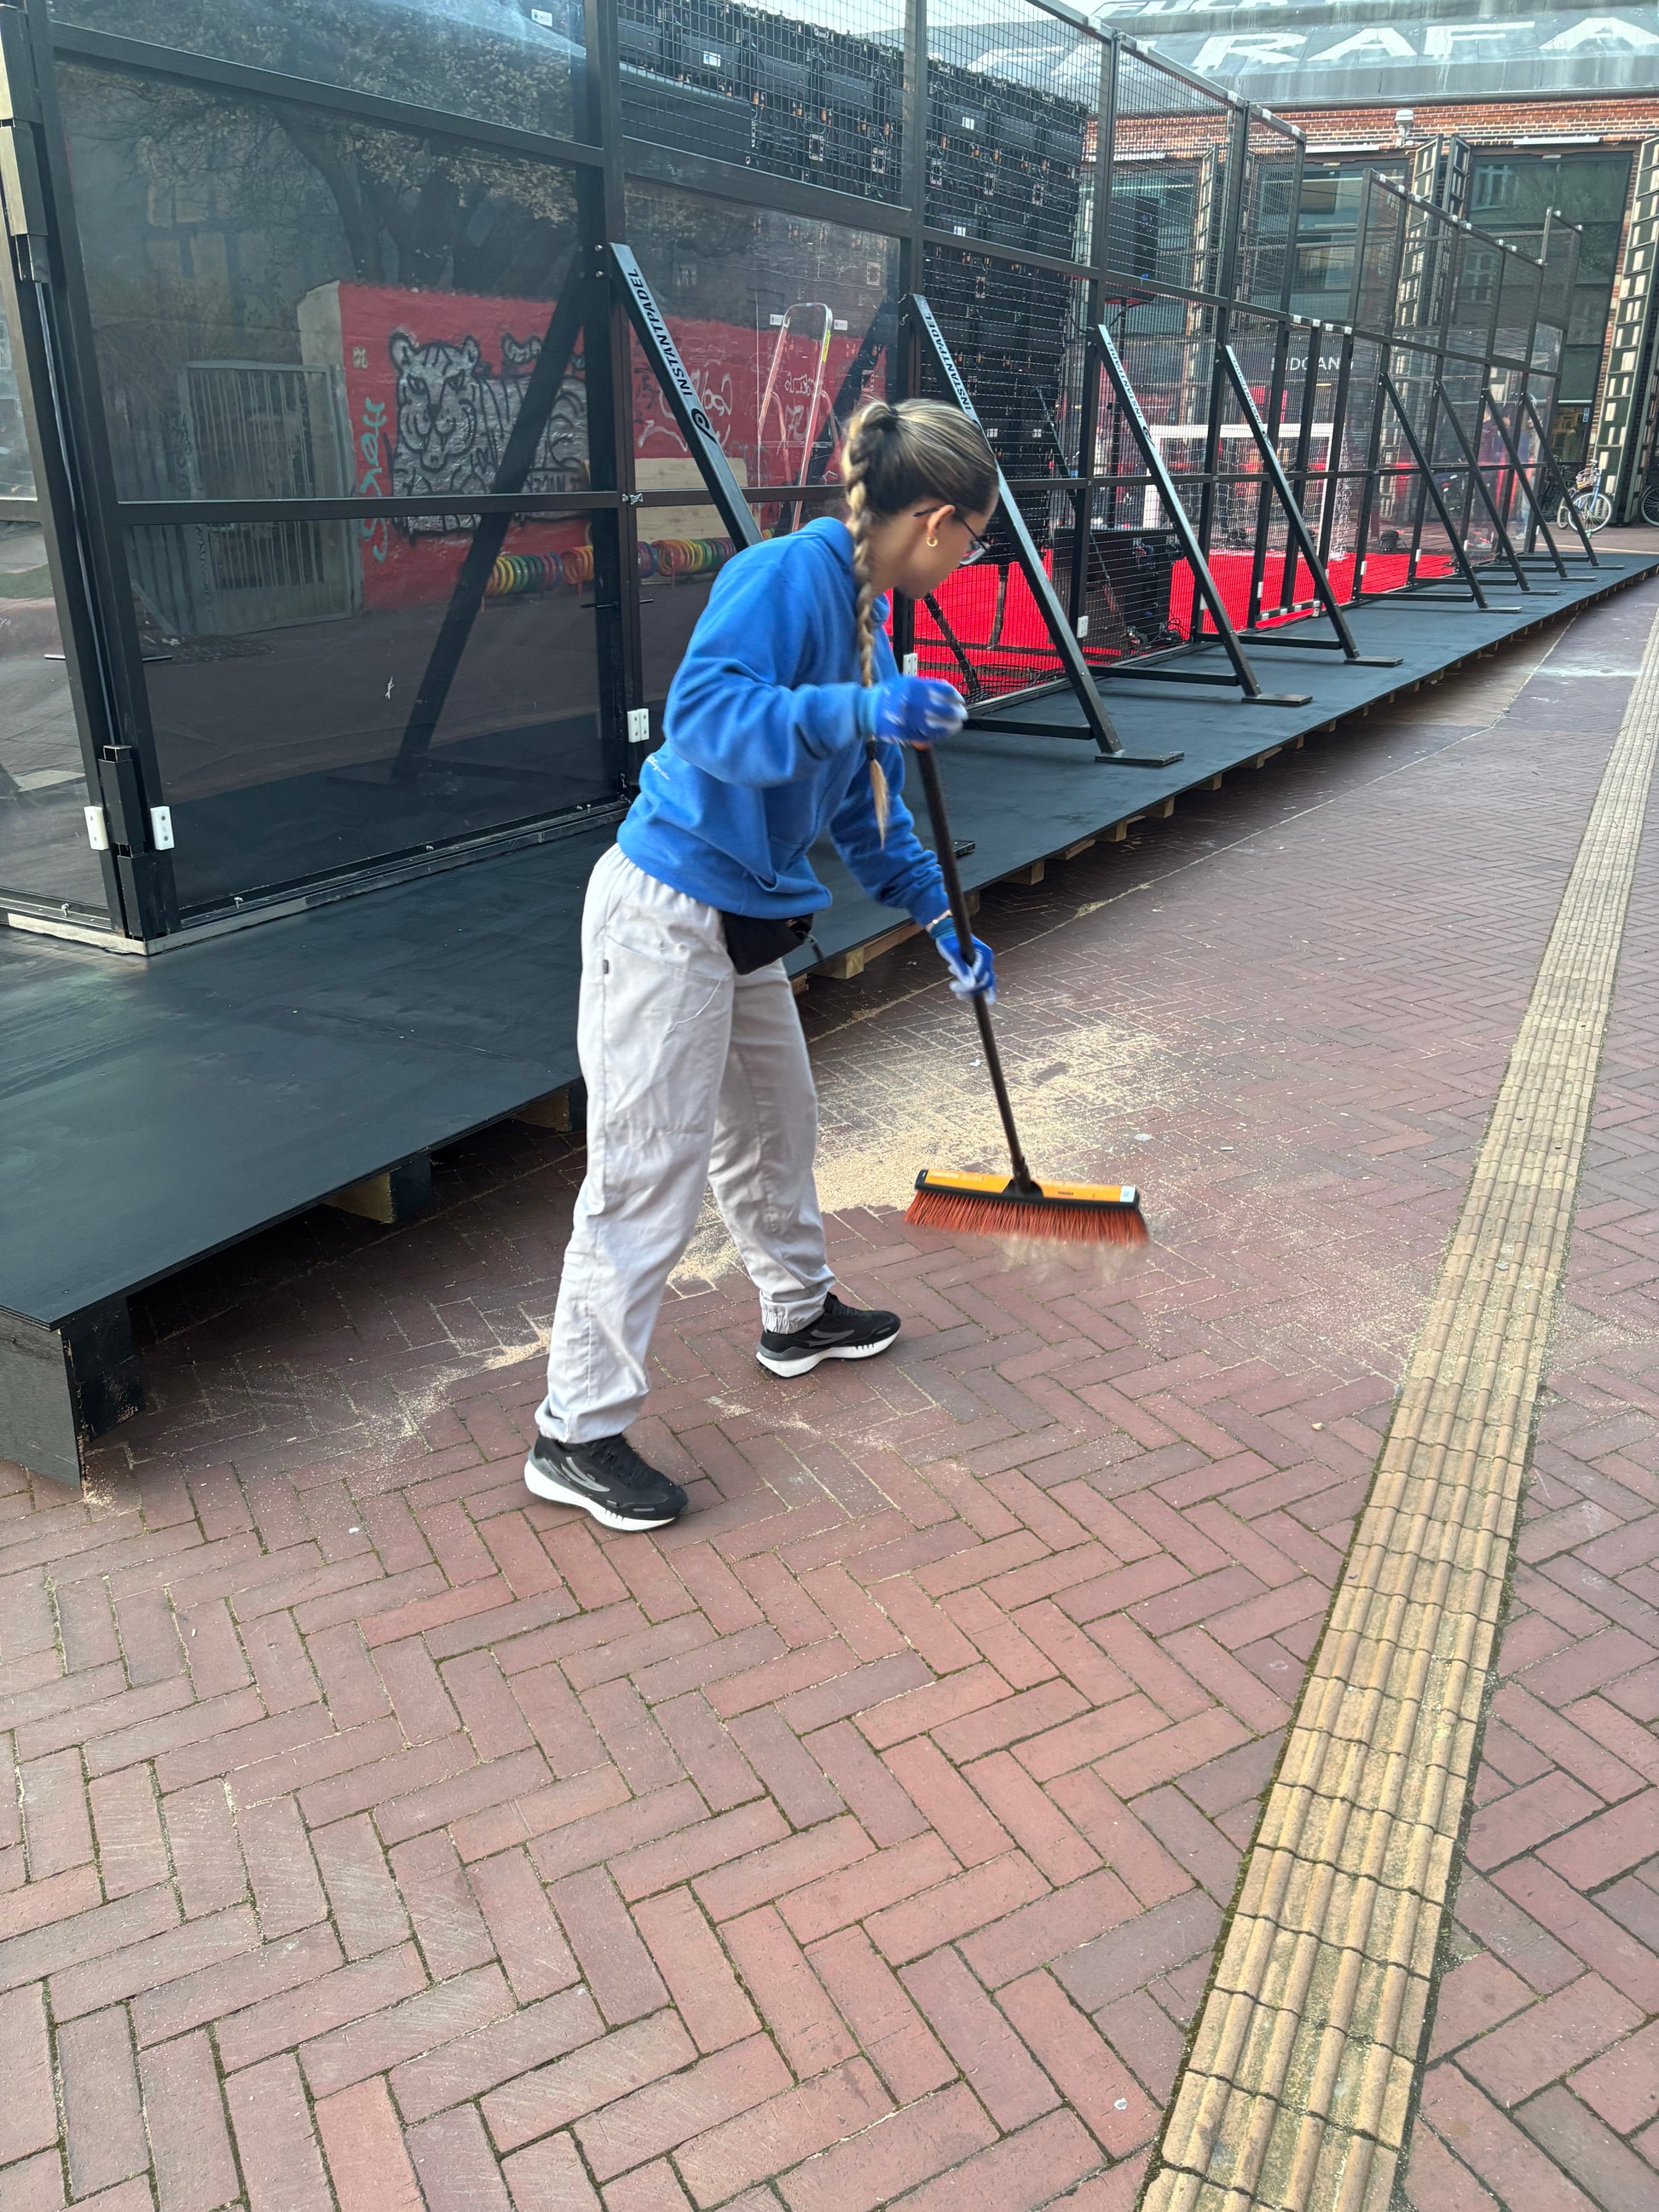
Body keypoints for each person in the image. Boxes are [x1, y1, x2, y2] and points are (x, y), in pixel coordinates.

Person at [526, 397, 1000, 1532]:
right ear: (930, 520)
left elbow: (876, 818)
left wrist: (941, 918)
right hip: (667, 910)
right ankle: (572, 1432)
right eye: (973, 539)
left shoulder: (871, 628)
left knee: (776, 1128)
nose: (970, 559)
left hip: (742, 924)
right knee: (647, 1175)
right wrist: (854, 708)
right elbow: (705, 715)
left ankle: (796, 1315)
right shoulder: (788, 576)